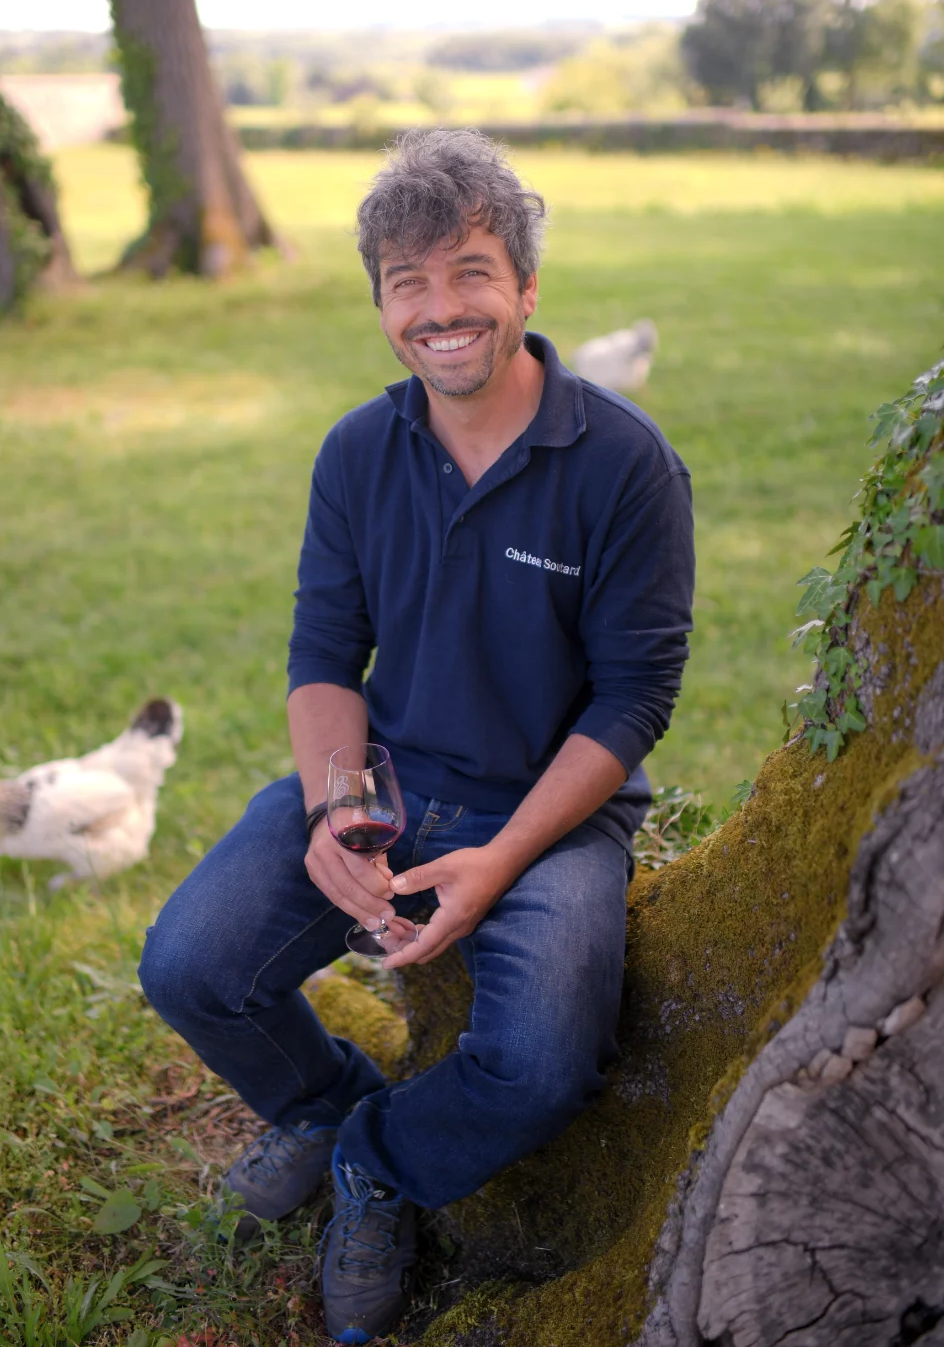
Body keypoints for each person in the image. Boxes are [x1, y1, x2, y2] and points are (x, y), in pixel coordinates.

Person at [139, 128, 694, 1344]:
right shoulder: (357, 451)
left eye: (469, 273)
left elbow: (633, 699)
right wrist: (339, 810)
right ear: (383, 306)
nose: (439, 310)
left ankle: (376, 1162)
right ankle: (324, 1105)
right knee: (188, 967)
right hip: (385, 782)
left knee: (542, 1064)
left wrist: (501, 859)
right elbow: (322, 656)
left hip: (553, 821)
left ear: (526, 288)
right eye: (408, 283)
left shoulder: (626, 466)